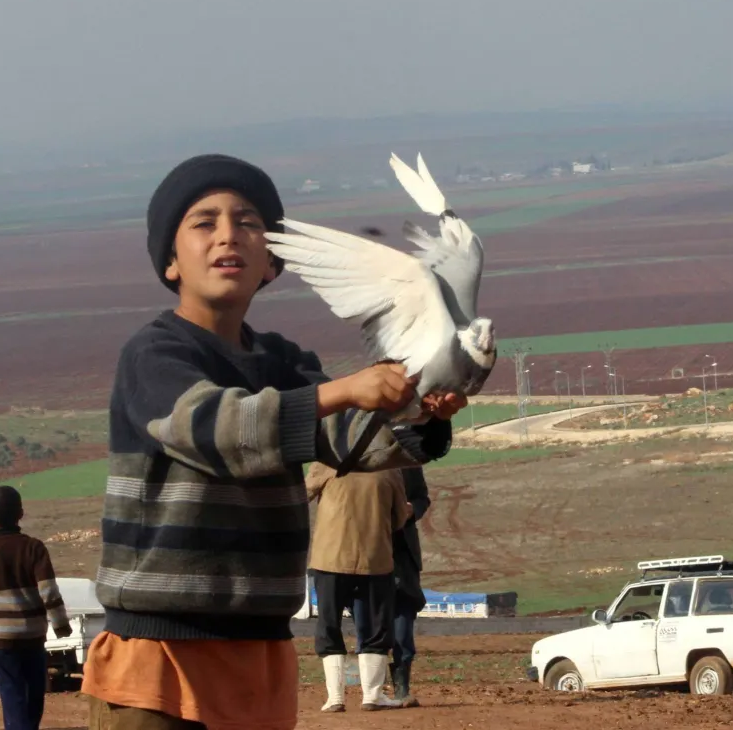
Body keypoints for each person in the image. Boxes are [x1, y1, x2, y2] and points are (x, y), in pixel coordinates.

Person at [80, 154, 466, 730]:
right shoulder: (154, 356)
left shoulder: (283, 362)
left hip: (259, 654)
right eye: (204, 222)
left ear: (271, 263)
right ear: (170, 261)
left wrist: (426, 415)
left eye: (248, 221)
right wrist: (342, 391)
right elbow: (219, 430)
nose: (228, 235)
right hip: (158, 662)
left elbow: (356, 448)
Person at [305, 462, 411, 712]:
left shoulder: (326, 463)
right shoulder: (390, 469)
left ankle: (335, 698)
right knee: (376, 627)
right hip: (374, 559)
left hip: (329, 557)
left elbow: (301, 496)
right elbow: (398, 518)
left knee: (329, 624)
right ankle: (372, 696)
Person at [0, 485, 71, 730]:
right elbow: (48, 591)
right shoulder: (34, 548)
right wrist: (60, 624)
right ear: (21, 513)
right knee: (35, 689)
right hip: (32, 633)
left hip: (0, 638)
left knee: (11, 689)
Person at [387, 465, 430, 707]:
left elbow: (422, 497)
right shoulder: (356, 458)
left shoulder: (408, 462)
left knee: (403, 623)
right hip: (368, 551)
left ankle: (402, 689)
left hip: (404, 555)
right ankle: (371, 692)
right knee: (370, 625)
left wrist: (413, 509)